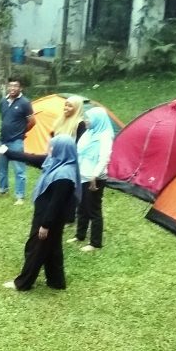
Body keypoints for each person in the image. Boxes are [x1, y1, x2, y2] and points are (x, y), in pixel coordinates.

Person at [0, 134, 82, 291]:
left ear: (61, 150)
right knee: (53, 248)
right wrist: (7, 152)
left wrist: (45, 225)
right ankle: (56, 281)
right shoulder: (55, 161)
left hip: (49, 218)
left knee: (36, 249)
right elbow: (30, 158)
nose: (48, 149)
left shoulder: (64, 176)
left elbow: (56, 204)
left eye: (52, 147)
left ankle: (22, 283)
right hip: (46, 215)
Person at [69, 106, 115, 253]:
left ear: (97, 120)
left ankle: (95, 243)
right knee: (81, 206)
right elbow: (79, 151)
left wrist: (94, 176)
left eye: (88, 118)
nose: (85, 121)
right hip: (82, 175)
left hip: (94, 178)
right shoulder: (88, 133)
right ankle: (80, 235)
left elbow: (104, 159)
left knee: (94, 209)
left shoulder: (105, 136)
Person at [0, 78, 35, 203]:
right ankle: (2, 188)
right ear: (7, 87)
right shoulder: (3, 101)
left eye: (16, 86)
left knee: (19, 169)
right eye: (10, 86)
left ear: (20, 88)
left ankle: (20, 196)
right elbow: (4, 118)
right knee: (1, 167)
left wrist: (22, 132)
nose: (13, 88)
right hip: (2, 140)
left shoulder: (25, 103)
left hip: (16, 141)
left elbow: (32, 122)